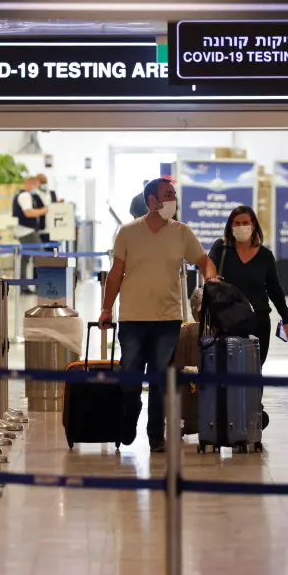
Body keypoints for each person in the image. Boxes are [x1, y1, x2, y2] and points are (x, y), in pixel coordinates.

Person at [100, 178, 219, 453]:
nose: (172, 201)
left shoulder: (182, 232)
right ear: (152, 200)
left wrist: (211, 279)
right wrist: (107, 309)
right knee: (130, 378)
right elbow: (116, 274)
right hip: (132, 319)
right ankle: (131, 415)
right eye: (167, 195)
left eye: (174, 195)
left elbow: (204, 262)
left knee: (159, 380)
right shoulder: (128, 232)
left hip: (167, 320)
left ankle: (155, 435)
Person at [208, 206, 288, 367]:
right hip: (227, 321)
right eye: (237, 223)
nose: (241, 226)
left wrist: (286, 319)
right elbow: (208, 265)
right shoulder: (221, 248)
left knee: (255, 368)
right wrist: (211, 277)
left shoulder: (265, 256)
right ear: (230, 226)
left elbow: (274, 289)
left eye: (245, 222)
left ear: (253, 225)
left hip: (258, 320)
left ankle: (254, 393)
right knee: (227, 368)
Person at [13, 175, 49, 289]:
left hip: (25, 231)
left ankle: (23, 286)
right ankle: (42, 286)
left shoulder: (26, 195)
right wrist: (44, 211)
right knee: (41, 256)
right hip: (27, 231)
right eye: (36, 186)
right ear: (31, 184)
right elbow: (28, 213)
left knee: (25, 258)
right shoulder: (25, 196)